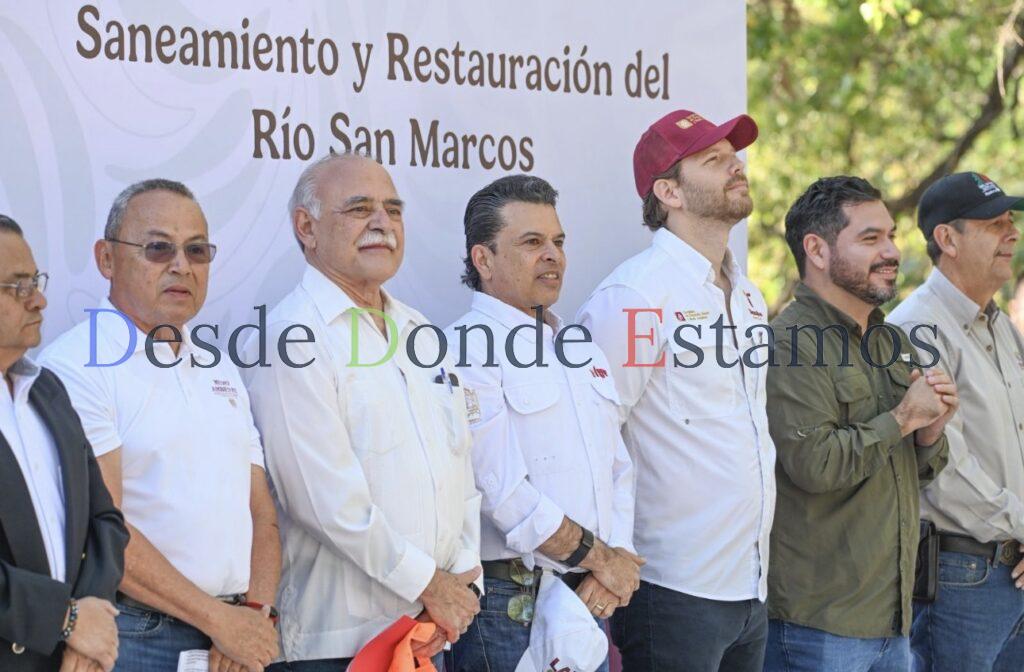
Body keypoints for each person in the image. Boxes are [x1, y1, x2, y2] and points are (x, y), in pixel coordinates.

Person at [243, 152, 482, 671]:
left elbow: (459, 466)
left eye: (393, 210)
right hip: (339, 643)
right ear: (305, 228)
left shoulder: (418, 330)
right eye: (359, 209)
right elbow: (325, 502)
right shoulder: (291, 337)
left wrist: (464, 581)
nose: (382, 223)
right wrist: (432, 585)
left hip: (427, 632)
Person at [40, 181, 281, 672]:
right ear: (106, 259)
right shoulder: (75, 367)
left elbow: (261, 510)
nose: (181, 265)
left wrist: (254, 614)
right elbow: (101, 528)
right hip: (135, 634)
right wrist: (222, 621)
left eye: (197, 250)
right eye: (157, 248)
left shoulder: (218, 366)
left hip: (236, 636)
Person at [577, 109, 776, 671]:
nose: (736, 166)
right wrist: (608, 557)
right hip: (672, 587)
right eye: (713, 160)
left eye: (733, 156)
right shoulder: (634, 296)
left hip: (750, 585)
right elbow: (595, 433)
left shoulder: (749, 295)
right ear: (669, 191)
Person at [445, 175, 640, 672]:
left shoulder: (580, 348)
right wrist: (603, 561)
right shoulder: (465, 349)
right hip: (508, 604)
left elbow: (619, 467)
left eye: (557, 242)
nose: (552, 255)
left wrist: (615, 562)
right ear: (482, 259)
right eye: (532, 242)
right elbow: (498, 491)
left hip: (589, 598)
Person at [764, 176, 956, 672]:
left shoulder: (891, 340)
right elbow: (815, 464)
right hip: (818, 626)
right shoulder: (790, 341)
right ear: (817, 250)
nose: (892, 251)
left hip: (893, 619)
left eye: (891, 235)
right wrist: (906, 415)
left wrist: (930, 433)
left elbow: (913, 473)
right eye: (870, 239)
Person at [887, 171, 1024, 670]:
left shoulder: (1001, 326)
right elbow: (944, 468)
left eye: (1012, 221)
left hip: (1010, 564)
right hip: (961, 576)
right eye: (994, 223)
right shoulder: (916, 328)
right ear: (947, 238)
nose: (1011, 233)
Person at [0, 215, 128, 672]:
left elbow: (106, 521)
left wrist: (89, 621)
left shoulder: (47, 390)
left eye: (35, 280)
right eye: (17, 287)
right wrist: (66, 618)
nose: (39, 300)